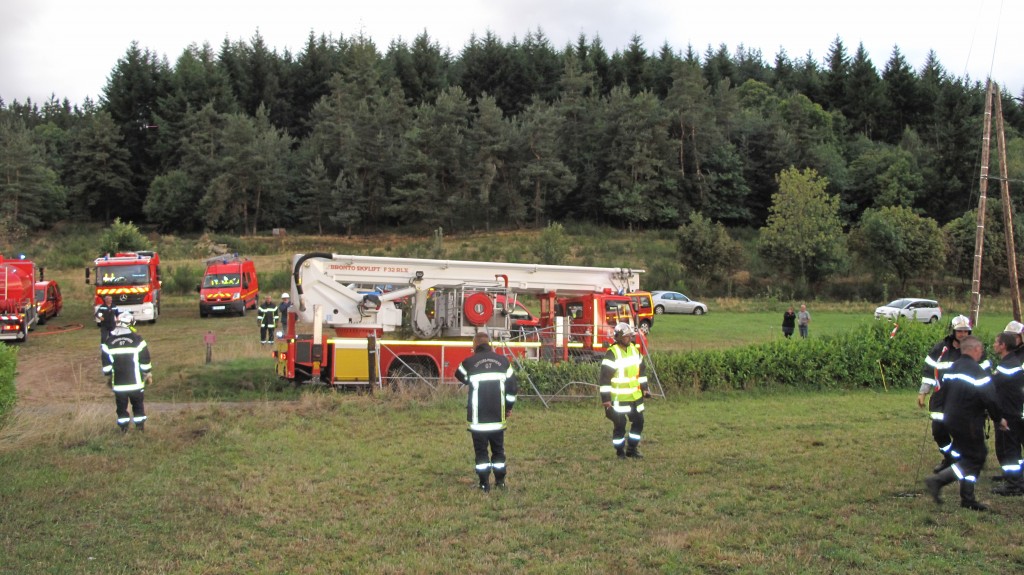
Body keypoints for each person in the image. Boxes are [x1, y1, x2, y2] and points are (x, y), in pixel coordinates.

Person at [923, 336, 1007, 511]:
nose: (981, 353)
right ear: (975, 350)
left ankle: (967, 498)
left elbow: (942, 393)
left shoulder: (952, 368)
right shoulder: (977, 372)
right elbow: (990, 399)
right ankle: (938, 481)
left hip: (951, 418)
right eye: (981, 350)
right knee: (976, 457)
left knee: (968, 456)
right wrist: (999, 419)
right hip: (969, 421)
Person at [455, 331, 518, 492]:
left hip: (478, 419)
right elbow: (512, 389)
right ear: (489, 344)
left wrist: (471, 379)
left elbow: (459, 374)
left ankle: (484, 484)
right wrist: (508, 408)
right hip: (498, 417)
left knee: (481, 451)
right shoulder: (503, 362)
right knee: (498, 450)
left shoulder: (469, 362)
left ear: (475, 345)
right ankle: (500, 482)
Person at [918, 315, 981, 473]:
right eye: (959, 331)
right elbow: (929, 371)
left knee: (963, 433)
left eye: (966, 331)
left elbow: (984, 375)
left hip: (965, 401)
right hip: (941, 399)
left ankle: (963, 460)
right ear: (953, 332)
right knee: (938, 431)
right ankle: (950, 458)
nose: (963, 335)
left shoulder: (975, 350)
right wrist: (923, 392)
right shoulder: (940, 349)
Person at [599, 322, 651, 459]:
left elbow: (642, 372)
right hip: (619, 399)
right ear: (619, 337)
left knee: (639, 422)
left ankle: (632, 449)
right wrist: (606, 399)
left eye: (630, 336)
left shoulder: (635, 350)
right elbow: (604, 379)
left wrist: (644, 389)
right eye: (626, 336)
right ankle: (620, 452)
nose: (629, 338)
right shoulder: (612, 353)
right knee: (620, 425)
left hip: (635, 396)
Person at [100, 311, 152, 433]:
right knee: (138, 405)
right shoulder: (138, 340)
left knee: (121, 408)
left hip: (119, 384)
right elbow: (145, 360)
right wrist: (148, 374)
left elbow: (106, 365)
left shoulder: (109, 342)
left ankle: (124, 430)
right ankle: (140, 429)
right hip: (136, 383)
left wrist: (108, 377)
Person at [991, 330, 1024, 496]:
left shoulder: (1007, 366)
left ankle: (1014, 485)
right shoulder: (1011, 362)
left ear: (1003, 346)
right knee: (1013, 449)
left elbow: (992, 385)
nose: (994, 345)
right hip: (1014, 411)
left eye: (997, 342)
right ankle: (1017, 480)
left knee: (1010, 449)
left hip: (1010, 413)